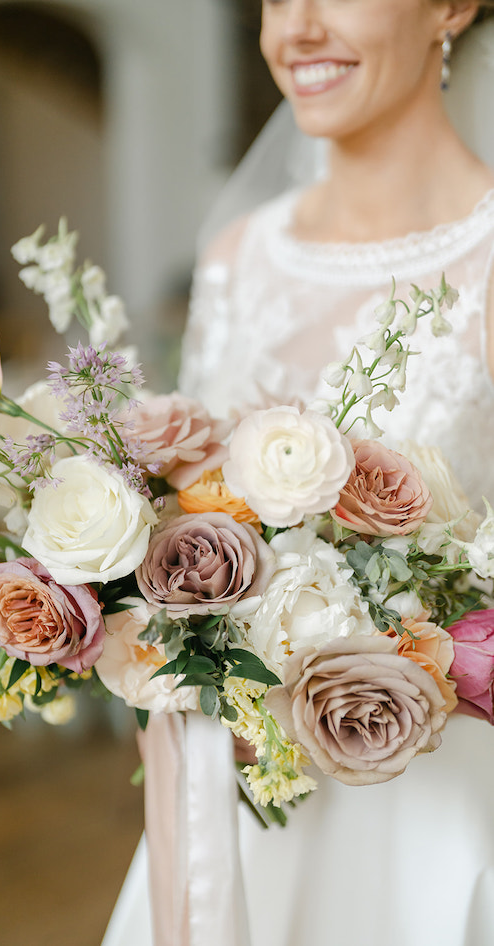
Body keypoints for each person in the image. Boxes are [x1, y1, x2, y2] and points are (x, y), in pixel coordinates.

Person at [102, 3, 494, 944]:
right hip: (234, 806)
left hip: (433, 817)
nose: (300, 28)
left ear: (452, 5)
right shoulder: (241, 253)